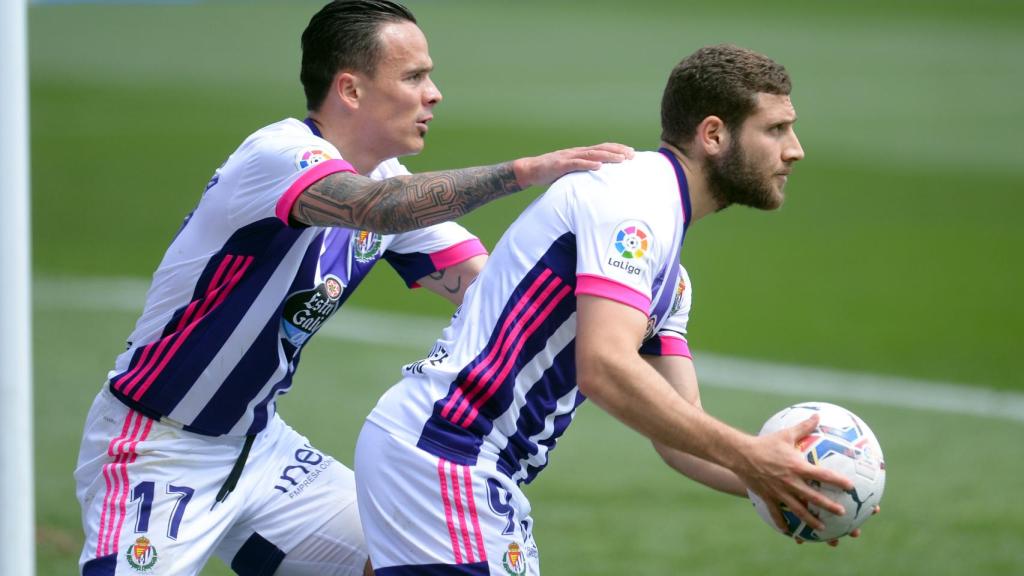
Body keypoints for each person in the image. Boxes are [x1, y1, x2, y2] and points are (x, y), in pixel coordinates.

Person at [73, 1, 631, 575]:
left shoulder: (389, 182)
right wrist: (527, 171)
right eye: (413, 77)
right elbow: (378, 210)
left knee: (407, 556)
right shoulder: (280, 156)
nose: (433, 93)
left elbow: (500, 293)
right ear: (351, 90)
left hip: (262, 448)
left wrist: (629, 290)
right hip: (157, 449)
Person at [354, 44, 862, 574]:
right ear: (713, 135)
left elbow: (681, 435)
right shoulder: (634, 202)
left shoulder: (670, 271)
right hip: (447, 455)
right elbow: (604, 367)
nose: (795, 150)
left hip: (451, 460)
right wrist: (751, 455)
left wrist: (779, 487)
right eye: (776, 129)